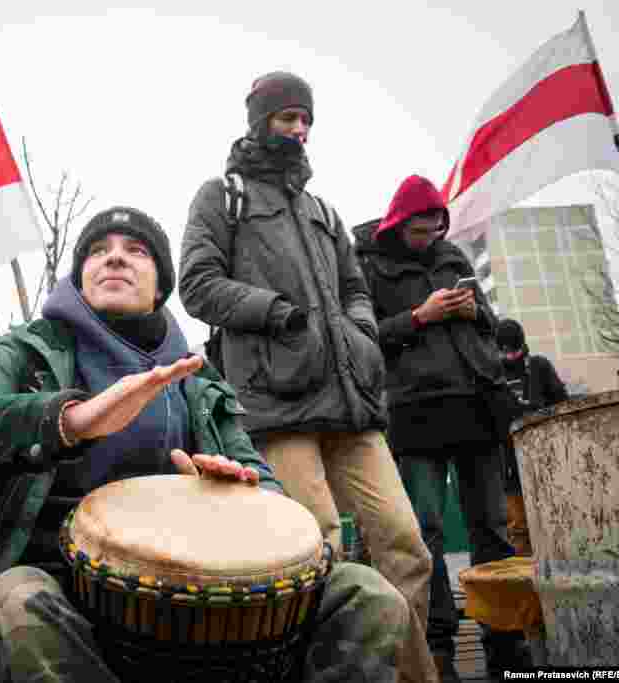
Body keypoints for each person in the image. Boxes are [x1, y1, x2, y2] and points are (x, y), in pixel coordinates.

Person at [0, 206, 421, 683]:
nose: (114, 256)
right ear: (79, 276)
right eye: (97, 250)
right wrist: (68, 420)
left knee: (367, 592)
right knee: (12, 601)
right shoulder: (28, 354)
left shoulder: (197, 380)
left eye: (135, 250)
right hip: (63, 598)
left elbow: (270, 497)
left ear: (160, 287)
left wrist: (241, 494)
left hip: (200, 610)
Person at [177, 71, 435, 682]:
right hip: (276, 402)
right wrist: (278, 314)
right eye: (287, 117)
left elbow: (354, 288)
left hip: (352, 401)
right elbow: (195, 283)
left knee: (408, 548)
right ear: (260, 120)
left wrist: (362, 335)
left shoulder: (323, 209)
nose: (299, 129)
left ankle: (410, 676)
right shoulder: (222, 196)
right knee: (317, 547)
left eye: (306, 119)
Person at [353, 175, 529, 681]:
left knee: (492, 527)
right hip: (415, 410)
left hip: (476, 403)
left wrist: (477, 313)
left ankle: (506, 640)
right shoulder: (369, 265)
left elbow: (491, 327)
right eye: (419, 230)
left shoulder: (453, 256)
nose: (429, 237)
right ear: (397, 223)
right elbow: (364, 338)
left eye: (436, 228)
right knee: (424, 532)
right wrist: (418, 315)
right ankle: (438, 646)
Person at [495, 318, 568, 555]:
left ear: (522, 345)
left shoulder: (539, 367)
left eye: (513, 350)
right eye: (504, 351)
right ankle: (525, 579)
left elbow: (562, 403)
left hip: (545, 459)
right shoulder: (494, 375)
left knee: (554, 517)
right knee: (518, 527)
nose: (509, 356)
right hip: (509, 464)